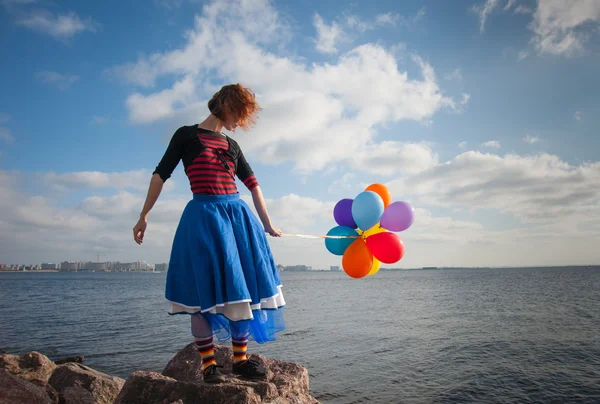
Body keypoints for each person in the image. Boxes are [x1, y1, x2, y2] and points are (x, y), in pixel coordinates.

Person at [132, 83, 286, 384]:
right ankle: (208, 365)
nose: (240, 124)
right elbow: (160, 174)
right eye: (240, 115)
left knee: (241, 289)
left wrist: (267, 224)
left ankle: (240, 360)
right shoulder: (186, 135)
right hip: (203, 218)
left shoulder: (232, 145)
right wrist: (143, 215)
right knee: (200, 291)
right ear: (228, 105)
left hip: (237, 220)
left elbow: (253, 185)